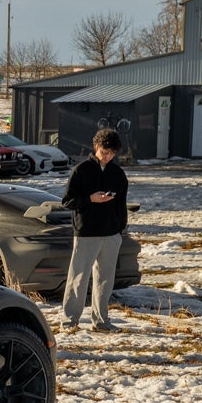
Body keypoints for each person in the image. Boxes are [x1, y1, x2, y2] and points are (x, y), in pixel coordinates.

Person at [59, 127, 129, 332]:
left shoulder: (118, 173)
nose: (108, 157)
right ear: (96, 147)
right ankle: (69, 321)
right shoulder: (81, 170)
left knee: (105, 280)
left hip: (111, 233)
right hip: (86, 232)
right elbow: (67, 201)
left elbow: (121, 204)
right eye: (105, 152)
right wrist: (90, 199)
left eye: (112, 153)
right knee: (78, 279)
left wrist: (120, 228)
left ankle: (101, 321)